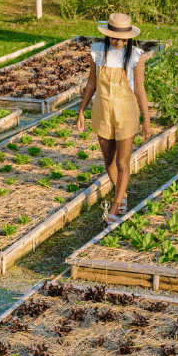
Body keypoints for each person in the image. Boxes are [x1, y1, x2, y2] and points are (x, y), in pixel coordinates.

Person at [77, 13, 152, 222]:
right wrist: (82, 110)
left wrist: (146, 120)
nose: (117, 42)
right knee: (109, 161)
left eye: (121, 38)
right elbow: (91, 83)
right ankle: (122, 192)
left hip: (126, 111)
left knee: (122, 162)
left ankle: (116, 205)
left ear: (128, 37)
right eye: (113, 37)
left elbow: (139, 89)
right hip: (103, 110)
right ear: (107, 36)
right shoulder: (98, 52)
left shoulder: (136, 56)